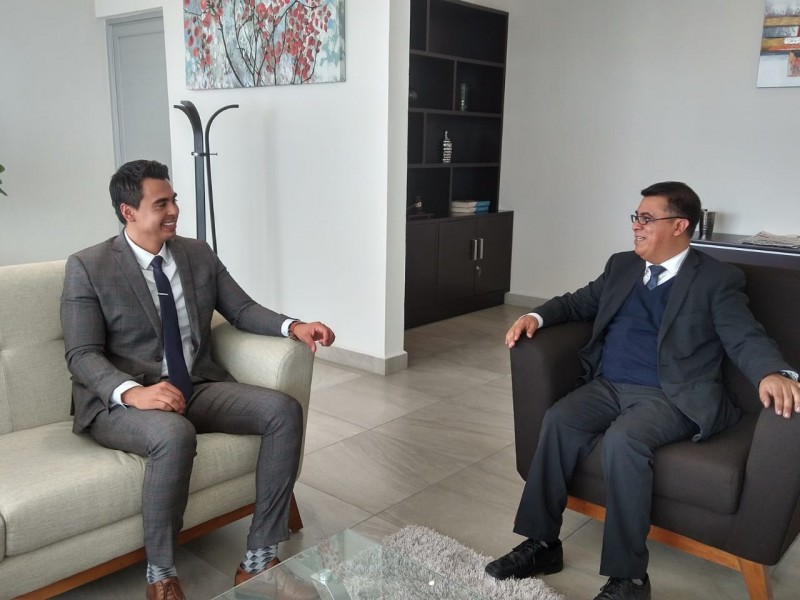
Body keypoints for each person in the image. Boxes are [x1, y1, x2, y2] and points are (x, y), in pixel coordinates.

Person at [484, 182, 800, 600]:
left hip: (670, 394)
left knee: (624, 441)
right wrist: (535, 317)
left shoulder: (716, 279)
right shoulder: (622, 266)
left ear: (679, 225)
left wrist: (773, 373)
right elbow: (577, 303)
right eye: (636, 217)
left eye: (646, 218)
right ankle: (542, 544)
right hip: (608, 385)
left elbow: (744, 336)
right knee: (559, 420)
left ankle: (629, 579)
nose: (636, 225)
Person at [61, 160, 335, 600]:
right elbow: (82, 354)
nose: (174, 210)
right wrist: (135, 392)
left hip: (195, 384)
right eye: (161, 204)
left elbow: (241, 310)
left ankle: (259, 562)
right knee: (174, 434)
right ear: (128, 212)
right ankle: (161, 576)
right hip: (121, 401)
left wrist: (293, 326)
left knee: (283, 410)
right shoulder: (89, 266)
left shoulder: (197, 253)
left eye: (174, 200)